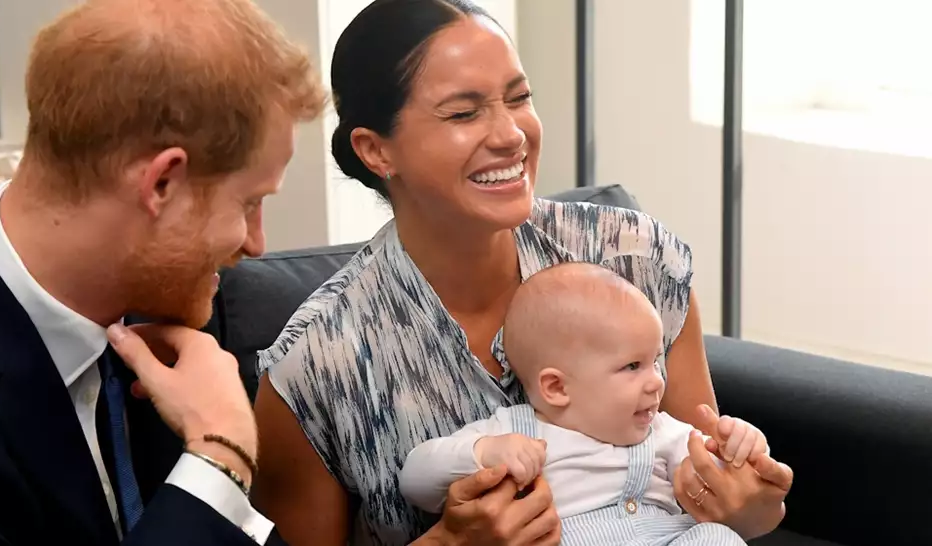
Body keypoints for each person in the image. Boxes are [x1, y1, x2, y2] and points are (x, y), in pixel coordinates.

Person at [250, 1, 794, 545]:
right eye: (464, 113)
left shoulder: (636, 259)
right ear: (375, 150)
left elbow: (704, 494)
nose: (512, 134)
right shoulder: (316, 369)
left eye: (519, 98)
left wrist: (747, 508)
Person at [0, 0, 326, 544]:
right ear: (162, 183)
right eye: (249, 203)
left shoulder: (166, 303)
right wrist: (218, 456)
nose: (257, 244)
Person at [398, 262, 769, 545]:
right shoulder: (512, 432)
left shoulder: (662, 432)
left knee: (715, 538)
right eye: (632, 366)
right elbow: (415, 479)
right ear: (557, 387)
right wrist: (483, 453)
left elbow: (719, 475)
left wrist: (740, 446)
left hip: (662, 538)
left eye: (656, 361)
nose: (656, 381)